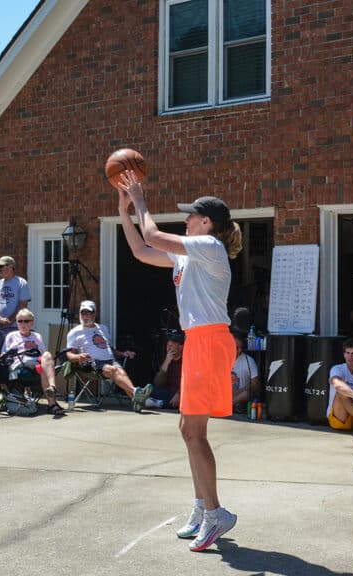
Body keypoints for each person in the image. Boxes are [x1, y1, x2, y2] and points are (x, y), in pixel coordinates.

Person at [117, 172, 241, 552]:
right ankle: (203, 507)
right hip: (199, 341)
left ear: (206, 223)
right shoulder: (189, 254)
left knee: (194, 433)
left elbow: (153, 235)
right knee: (189, 431)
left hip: (210, 341)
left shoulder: (207, 245)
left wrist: (141, 202)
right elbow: (141, 250)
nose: (185, 219)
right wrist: (124, 212)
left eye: (191, 215)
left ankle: (217, 513)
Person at [64, 300, 148, 411]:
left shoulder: (103, 328)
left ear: (95, 314)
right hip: (92, 363)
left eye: (89, 313)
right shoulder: (75, 332)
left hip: (110, 360)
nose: (86, 316)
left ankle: (137, 400)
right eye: (83, 313)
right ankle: (137, 393)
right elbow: (69, 355)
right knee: (113, 370)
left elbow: (109, 348)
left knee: (121, 372)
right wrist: (79, 357)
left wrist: (123, 353)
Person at [0, 308, 64, 417]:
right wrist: (9, 355)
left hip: (36, 365)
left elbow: (44, 355)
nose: (23, 324)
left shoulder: (37, 336)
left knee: (47, 355)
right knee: (43, 367)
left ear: (32, 322)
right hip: (20, 366)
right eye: (20, 321)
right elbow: (3, 356)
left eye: (26, 321)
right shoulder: (11, 336)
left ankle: (51, 388)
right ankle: (52, 404)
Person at [0, 256, 31, 354]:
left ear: (10, 267)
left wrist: (10, 321)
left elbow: (23, 305)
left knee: (14, 357)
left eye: (1, 266)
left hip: (15, 328)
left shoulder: (21, 283)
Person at [145, 331, 184, 410]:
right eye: (168, 345)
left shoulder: (186, 360)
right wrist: (166, 362)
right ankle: (159, 403)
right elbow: (157, 383)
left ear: (180, 347)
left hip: (183, 393)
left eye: (172, 345)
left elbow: (191, 381)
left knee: (187, 398)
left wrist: (179, 393)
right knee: (149, 389)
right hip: (169, 392)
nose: (168, 347)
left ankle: (160, 403)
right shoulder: (167, 359)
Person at [230, 332, 260, 410]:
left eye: (241, 348)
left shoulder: (249, 361)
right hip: (224, 394)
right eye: (236, 348)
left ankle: (228, 406)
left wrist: (238, 392)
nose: (239, 351)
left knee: (246, 394)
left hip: (239, 395)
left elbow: (255, 385)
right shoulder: (221, 358)